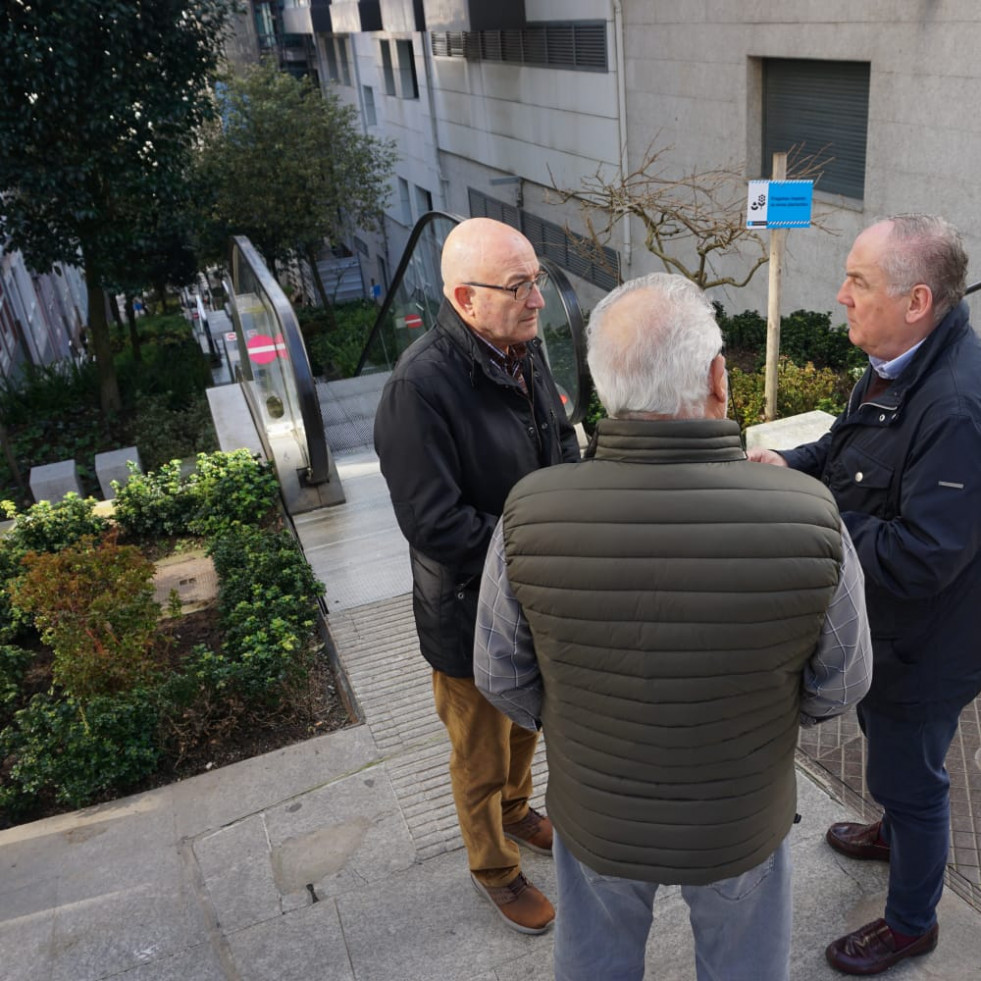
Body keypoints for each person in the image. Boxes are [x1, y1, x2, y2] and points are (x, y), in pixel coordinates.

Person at [474, 272, 872, 980]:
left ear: (600, 389)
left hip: (596, 816)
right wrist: (769, 715)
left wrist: (577, 716)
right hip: (739, 818)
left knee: (594, 964)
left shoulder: (526, 513)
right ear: (719, 378)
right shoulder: (810, 514)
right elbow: (843, 679)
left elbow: (499, 672)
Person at [748, 214, 981, 975]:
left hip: (927, 642)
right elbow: (847, 445)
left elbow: (922, 557)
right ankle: (891, 825)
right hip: (890, 631)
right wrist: (792, 463)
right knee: (889, 759)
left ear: (916, 300)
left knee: (914, 778)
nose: (840, 295)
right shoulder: (893, 362)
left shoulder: (950, 407)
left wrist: (812, 513)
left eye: (857, 281)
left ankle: (912, 921)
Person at [373, 217, 580, 934]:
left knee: (527, 719)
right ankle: (493, 866)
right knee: (480, 749)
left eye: (537, 281)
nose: (537, 300)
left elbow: (556, 446)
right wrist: (540, 547)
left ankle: (518, 810)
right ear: (464, 297)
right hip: (467, 610)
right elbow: (434, 525)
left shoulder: (521, 351)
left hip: (532, 594)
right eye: (519, 286)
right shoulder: (416, 390)